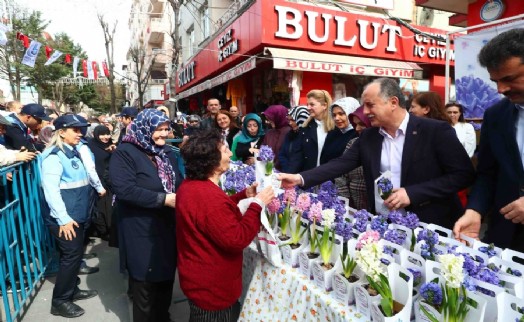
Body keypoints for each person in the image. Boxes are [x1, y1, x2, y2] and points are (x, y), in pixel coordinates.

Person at [280, 78, 475, 229]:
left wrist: (413, 193)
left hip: (430, 224)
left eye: (370, 105)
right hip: (385, 224)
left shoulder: (435, 131)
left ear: (393, 102)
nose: (365, 112)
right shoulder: (369, 137)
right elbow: (340, 164)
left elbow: (462, 175)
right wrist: (299, 178)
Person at [176, 130, 274, 321]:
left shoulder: (192, 186)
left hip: (198, 279)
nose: (230, 154)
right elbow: (236, 239)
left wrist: (242, 196)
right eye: (225, 150)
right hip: (212, 288)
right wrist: (257, 205)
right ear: (211, 160)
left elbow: (214, 215)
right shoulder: (207, 197)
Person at [453, 29, 524, 250]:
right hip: (507, 240)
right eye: (495, 81)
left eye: (509, 79)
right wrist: (475, 210)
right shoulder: (495, 115)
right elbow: (488, 173)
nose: (500, 89)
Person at [109, 109, 182, 322]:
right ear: (145, 128)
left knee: (166, 276)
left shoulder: (166, 153)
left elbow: (178, 183)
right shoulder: (125, 152)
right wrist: (163, 199)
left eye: (166, 129)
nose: (163, 134)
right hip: (139, 227)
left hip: (167, 225)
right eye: (158, 129)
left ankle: (162, 316)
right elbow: (124, 190)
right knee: (145, 283)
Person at [40, 115, 99, 318]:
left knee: (74, 256)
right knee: (70, 257)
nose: (80, 133)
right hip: (65, 219)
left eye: (81, 129)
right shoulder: (53, 156)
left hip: (77, 215)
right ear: (62, 132)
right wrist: (63, 219)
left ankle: (71, 290)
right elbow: (51, 191)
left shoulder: (72, 152)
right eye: (75, 130)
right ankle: (60, 301)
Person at [287, 90, 347, 173]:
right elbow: (296, 157)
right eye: (307, 104)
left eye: (312, 104)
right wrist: (289, 176)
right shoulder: (305, 128)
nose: (308, 108)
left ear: (324, 105)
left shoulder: (338, 127)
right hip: (308, 179)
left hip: (331, 179)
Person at [336, 105, 371, 210]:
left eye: (362, 124)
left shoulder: (384, 145)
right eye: (355, 124)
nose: (357, 128)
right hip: (353, 203)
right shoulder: (353, 143)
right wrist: (346, 200)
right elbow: (340, 173)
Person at [87, 125, 115, 241]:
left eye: (107, 134)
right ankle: (102, 231)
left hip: (110, 180)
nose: (105, 137)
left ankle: (110, 229)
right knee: (101, 207)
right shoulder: (91, 146)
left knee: (109, 205)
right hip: (98, 181)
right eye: (102, 134)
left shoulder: (111, 145)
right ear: (96, 135)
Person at [278, 106, 310, 173]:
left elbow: (300, 159)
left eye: (293, 120)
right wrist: (287, 169)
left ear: (302, 119)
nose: (290, 123)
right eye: (289, 120)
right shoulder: (290, 134)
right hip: (287, 172)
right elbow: (281, 154)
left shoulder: (308, 137)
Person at [261, 104, 290, 170]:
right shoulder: (269, 133)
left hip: (284, 171)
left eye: (270, 118)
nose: (268, 121)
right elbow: (263, 148)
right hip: (268, 169)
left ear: (278, 117)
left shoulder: (289, 132)